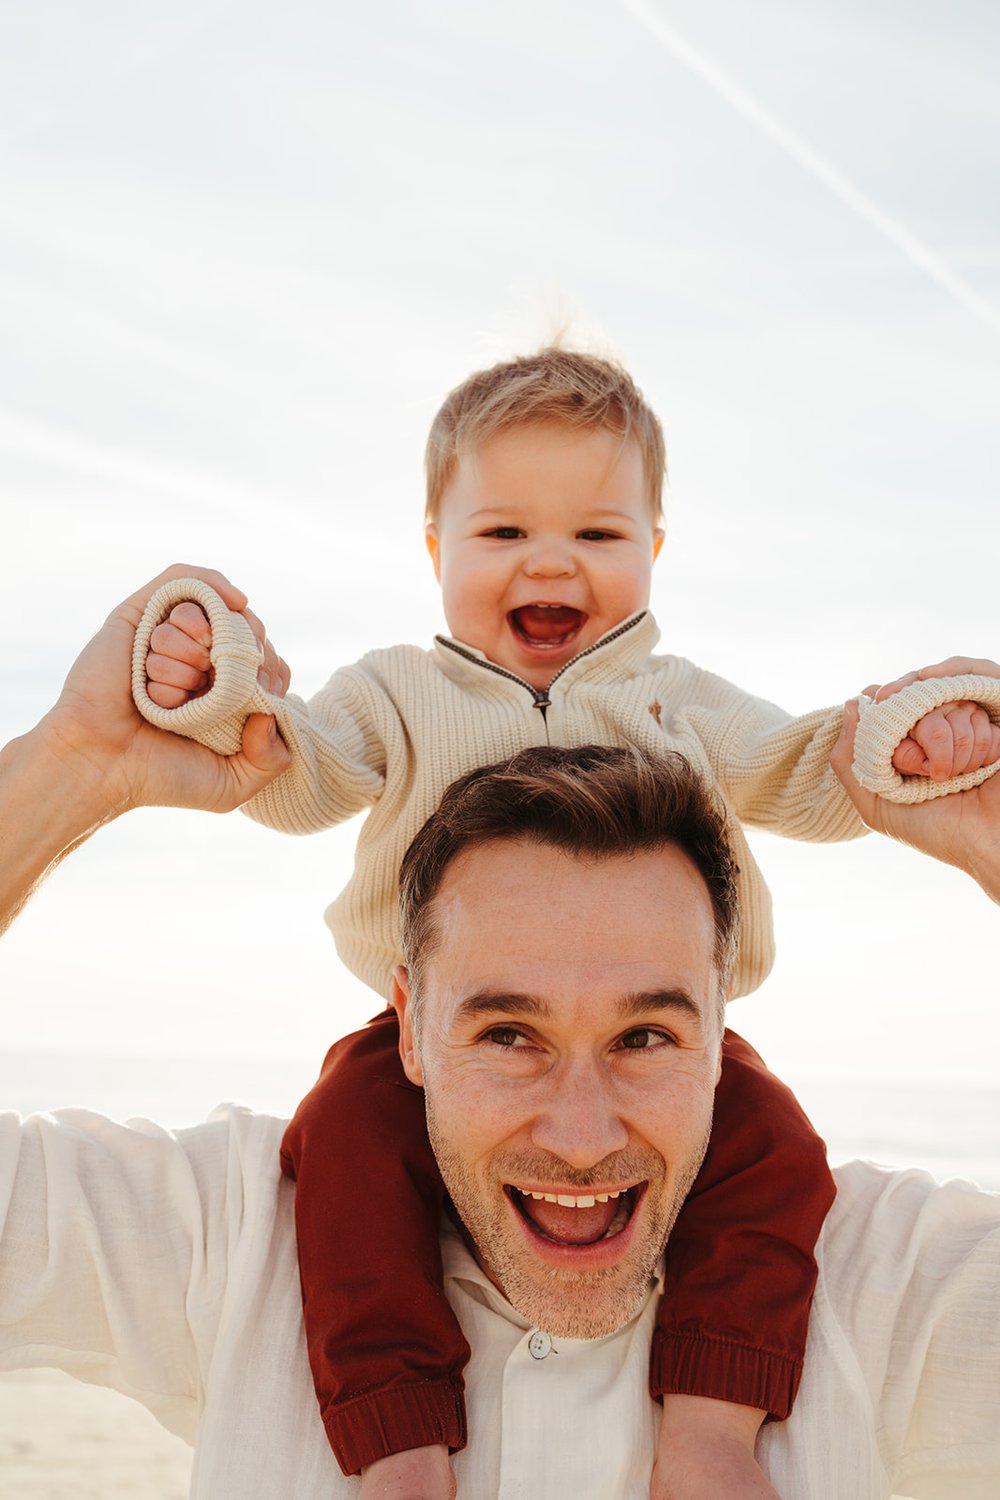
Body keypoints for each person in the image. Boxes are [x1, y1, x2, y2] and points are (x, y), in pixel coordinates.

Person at [133, 348, 1000, 1500]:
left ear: (654, 549)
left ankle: (707, 1431)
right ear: (436, 551)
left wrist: (907, 746)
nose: (550, 561)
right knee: (342, 1161)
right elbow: (301, 778)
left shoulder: (675, 697)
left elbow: (801, 773)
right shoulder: (396, 690)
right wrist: (223, 695)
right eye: (501, 537)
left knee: (773, 1155)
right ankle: (397, 1444)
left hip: (662, 1037)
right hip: (429, 1054)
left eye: (597, 535)